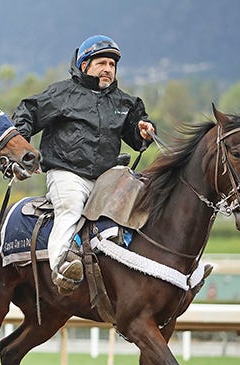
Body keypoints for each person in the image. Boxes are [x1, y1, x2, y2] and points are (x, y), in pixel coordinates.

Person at [12, 34, 155, 295]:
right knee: (71, 207)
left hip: (106, 178)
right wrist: (22, 148)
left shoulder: (124, 103)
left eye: (112, 65)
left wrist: (143, 130)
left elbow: (136, 134)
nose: (108, 69)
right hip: (67, 174)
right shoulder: (61, 93)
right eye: (101, 63)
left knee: (143, 199)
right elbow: (27, 112)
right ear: (84, 65)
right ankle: (62, 269)